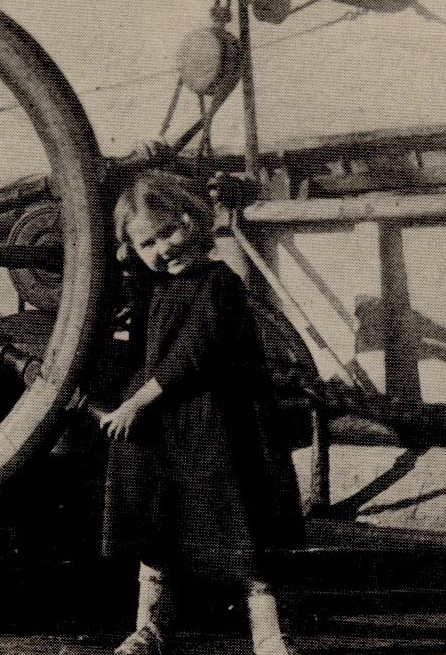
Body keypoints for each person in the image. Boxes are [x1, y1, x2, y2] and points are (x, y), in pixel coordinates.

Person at [101, 170, 305, 655]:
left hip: (217, 426)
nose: (162, 249)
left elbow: (195, 353)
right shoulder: (155, 290)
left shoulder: (218, 284)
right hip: (169, 429)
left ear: (194, 221)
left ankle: (269, 636)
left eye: (169, 232)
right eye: (146, 243)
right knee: (157, 531)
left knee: (241, 532)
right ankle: (149, 629)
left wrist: (135, 402)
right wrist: (121, 261)